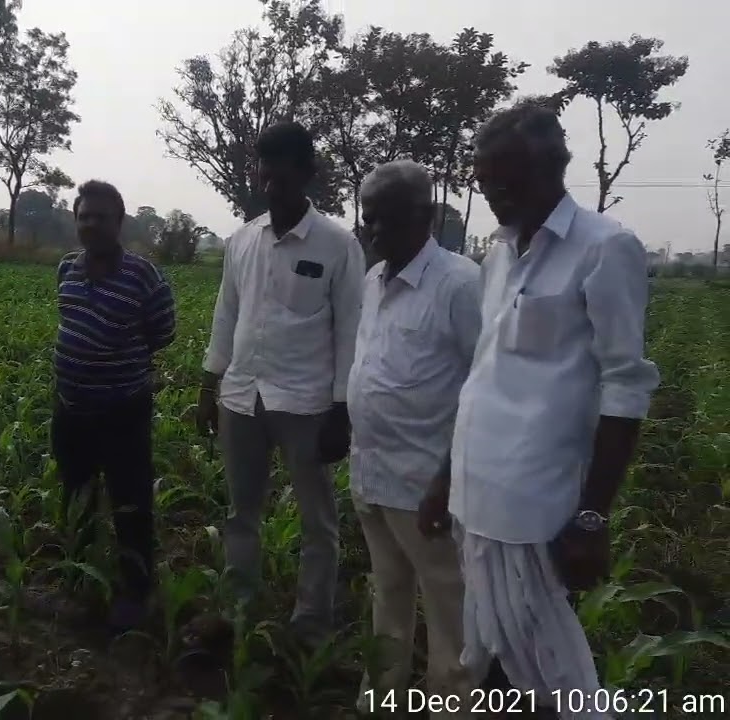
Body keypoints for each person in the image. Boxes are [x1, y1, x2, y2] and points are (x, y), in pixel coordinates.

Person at [436, 103, 660, 718]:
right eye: (488, 187)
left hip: (533, 502)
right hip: (474, 492)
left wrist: (592, 516)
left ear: (552, 169)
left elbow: (625, 386)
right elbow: (483, 373)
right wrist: (445, 478)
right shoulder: (499, 254)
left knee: (558, 677)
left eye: (506, 183)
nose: (497, 198)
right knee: (490, 655)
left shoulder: (605, 248)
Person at [197, 120, 366, 648]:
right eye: (262, 173)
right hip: (242, 398)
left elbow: (351, 331)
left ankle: (311, 624)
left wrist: (342, 411)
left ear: (307, 174)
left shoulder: (339, 245)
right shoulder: (242, 240)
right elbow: (227, 316)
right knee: (241, 511)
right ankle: (240, 609)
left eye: (281, 174)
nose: (269, 185)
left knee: (318, 521)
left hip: (308, 403)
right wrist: (210, 387)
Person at [346, 160, 481, 717]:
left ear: (425, 216)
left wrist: (446, 479)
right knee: (388, 594)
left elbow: (484, 392)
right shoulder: (372, 281)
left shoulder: (461, 284)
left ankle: (453, 707)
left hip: (428, 483)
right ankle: (382, 702)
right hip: (372, 474)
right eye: (368, 218)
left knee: (450, 608)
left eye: (388, 219)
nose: (374, 230)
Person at [51, 179, 177, 633]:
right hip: (70, 407)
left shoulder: (143, 275)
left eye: (100, 217)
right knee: (76, 495)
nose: (91, 224)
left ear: (118, 223)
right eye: (84, 216)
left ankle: (134, 591)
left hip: (123, 409)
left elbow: (163, 331)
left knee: (131, 502)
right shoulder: (67, 268)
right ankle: (82, 579)